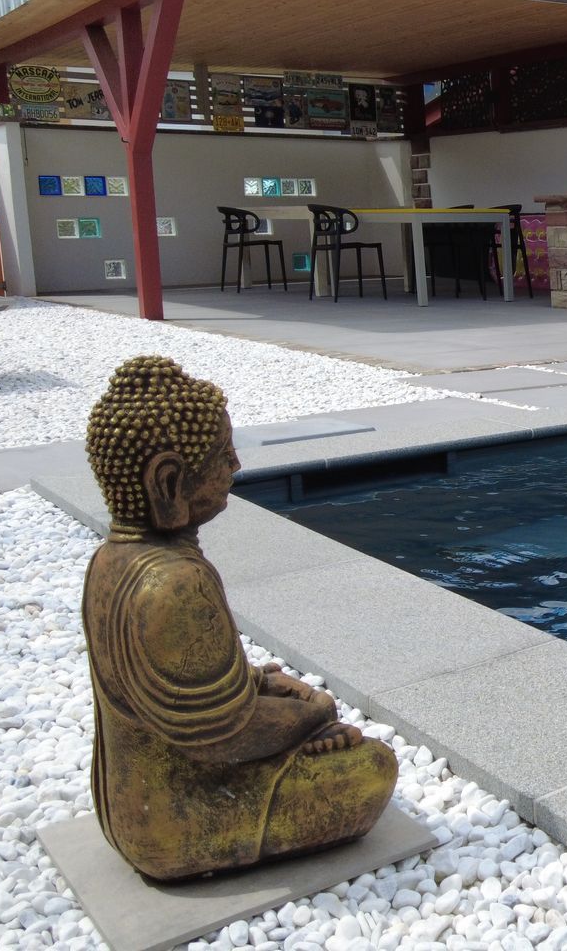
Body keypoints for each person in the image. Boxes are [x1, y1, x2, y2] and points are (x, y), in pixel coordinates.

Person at [80, 356, 396, 880]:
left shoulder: (110, 561)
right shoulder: (175, 583)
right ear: (168, 482)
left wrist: (257, 683)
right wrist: (312, 713)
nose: (236, 467)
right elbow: (222, 735)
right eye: (223, 455)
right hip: (185, 820)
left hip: (127, 807)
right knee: (373, 768)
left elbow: (182, 695)